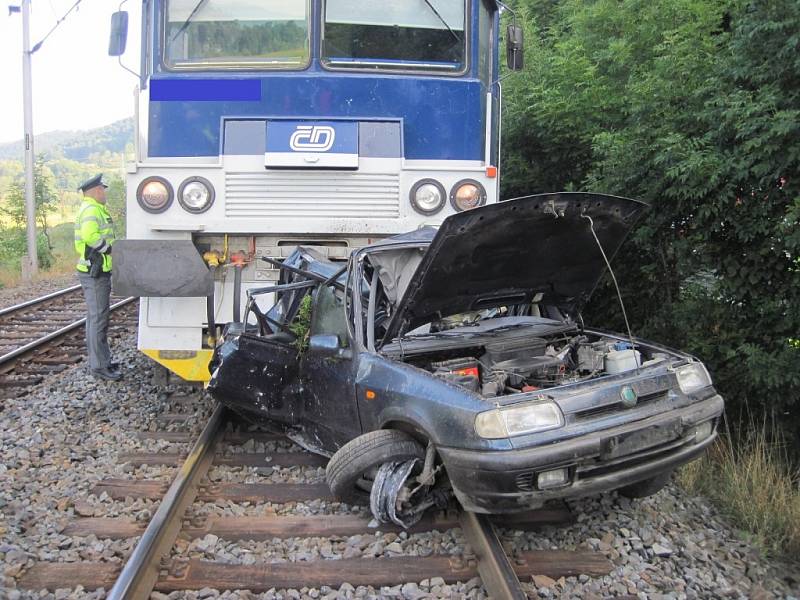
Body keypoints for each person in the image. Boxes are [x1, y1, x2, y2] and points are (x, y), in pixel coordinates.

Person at [74, 174, 121, 381]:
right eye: (103, 189)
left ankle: (102, 361)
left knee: (96, 319)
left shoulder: (93, 209)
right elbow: (90, 236)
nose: (105, 193)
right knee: (98, 320)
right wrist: (109, 250)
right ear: (95, 191)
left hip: (98, 271)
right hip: (94, 272)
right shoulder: (92, 210)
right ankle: (100, 366)